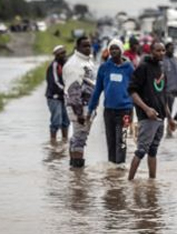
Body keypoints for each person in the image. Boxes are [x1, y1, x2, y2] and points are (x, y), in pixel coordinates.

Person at [127, 41, 176, 181]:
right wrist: (147, 109)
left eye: (163, 50)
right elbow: (132, 91)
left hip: (160, 118)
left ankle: (152, 182)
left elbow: (163, 96)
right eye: (158, 50)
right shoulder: (143, 67)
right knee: (141, 151)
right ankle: (129, 182)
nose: (161, 53)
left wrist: (170, 118)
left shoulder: (161, 68)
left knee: (153, 151)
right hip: (147, 117)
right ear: (151, 51)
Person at [87, 39, 134, 164]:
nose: (113, 51)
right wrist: (90, 109)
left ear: (121, 50)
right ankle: (113, 173)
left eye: (116, 48)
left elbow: (135, 89)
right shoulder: (104, 67)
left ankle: (120, 169)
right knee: (111, 142)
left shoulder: (129, 68)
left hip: (125, 111)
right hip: (109, 111)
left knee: (122, 142)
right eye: (111, 48)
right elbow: (97, 90)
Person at [63, 36, 96, 168]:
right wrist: (79, 114)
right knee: (80, 139)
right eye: (85, 46)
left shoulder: (87, 62)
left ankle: (74, 169)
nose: (88, 48)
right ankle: (78, 174)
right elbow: (73, 91)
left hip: (87, 107)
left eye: (89, 45)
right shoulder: (74, 65)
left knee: (78, 137)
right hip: (80, 108)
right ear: (77, 47)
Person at [45, 45, 69, 142]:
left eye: (64, 53)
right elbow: (54, 82)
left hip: (64, 97)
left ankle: (65, 141)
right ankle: (53, 141)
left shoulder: (65, 65)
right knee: (56, 120)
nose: (63, 55)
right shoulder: (53, 66)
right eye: (60, 54)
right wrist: (65, 89)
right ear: (56, 55)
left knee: (65, 121)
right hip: (54, 97)